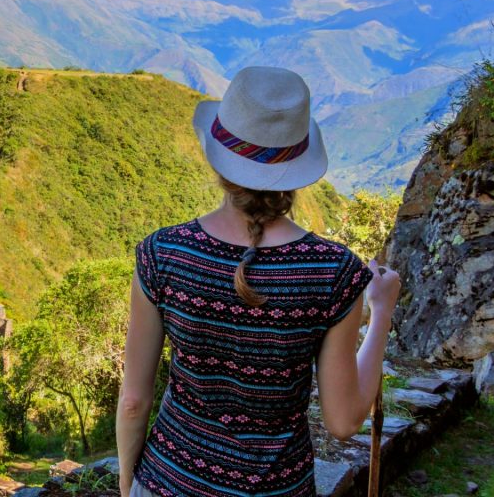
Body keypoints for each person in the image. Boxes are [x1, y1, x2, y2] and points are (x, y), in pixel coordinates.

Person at [115, 66, 402, 497]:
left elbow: (134, 402)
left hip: (169, 482)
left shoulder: (162, 255)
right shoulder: (333, 272)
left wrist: (126, 483)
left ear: (219, 161)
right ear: (297, 169)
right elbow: (343, 422)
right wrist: (380, 314)